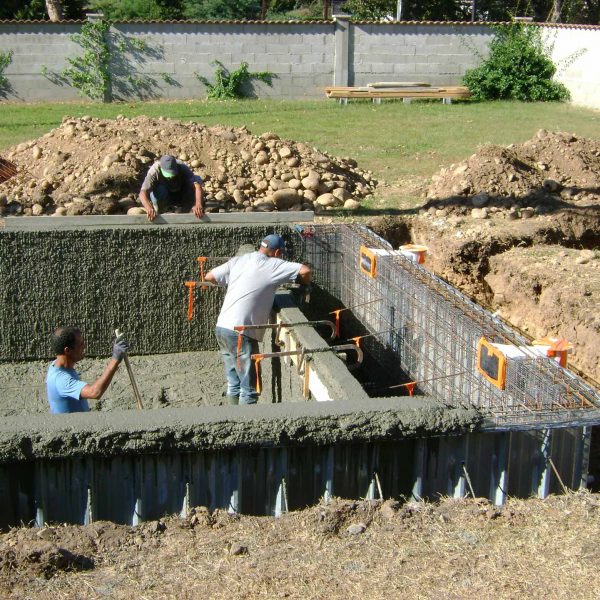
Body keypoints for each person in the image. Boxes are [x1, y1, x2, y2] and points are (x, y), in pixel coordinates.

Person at [205, 234, 311, 405]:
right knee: (249, 389)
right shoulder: (274, 264)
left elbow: (209, 277)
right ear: (277, 252)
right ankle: (246, 428)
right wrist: (305, 285)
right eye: (281, 254)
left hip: (222, 328)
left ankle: (232, 421)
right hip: (241, 332)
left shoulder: (241, 260)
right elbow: (305, 271)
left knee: (234, 383)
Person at [46, 327, 128, 414]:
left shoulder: (57, 365)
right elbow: (95, 392)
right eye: (80, 345)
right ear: (68, 350)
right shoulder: (61, 380)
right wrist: (115, 360)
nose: (84, 346)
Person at [139, 154, 204, 222]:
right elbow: (142, 192)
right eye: (168, 175)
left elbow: (197, 186)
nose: (171, 177)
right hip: (162, 195)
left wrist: (198, 204)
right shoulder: (154, 171)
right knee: (161, 190)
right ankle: (161, 211)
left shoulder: (182, 166)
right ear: (161, 168)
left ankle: (187, 209)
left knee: (196, 180)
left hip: (179, 192)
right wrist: (149, 208)